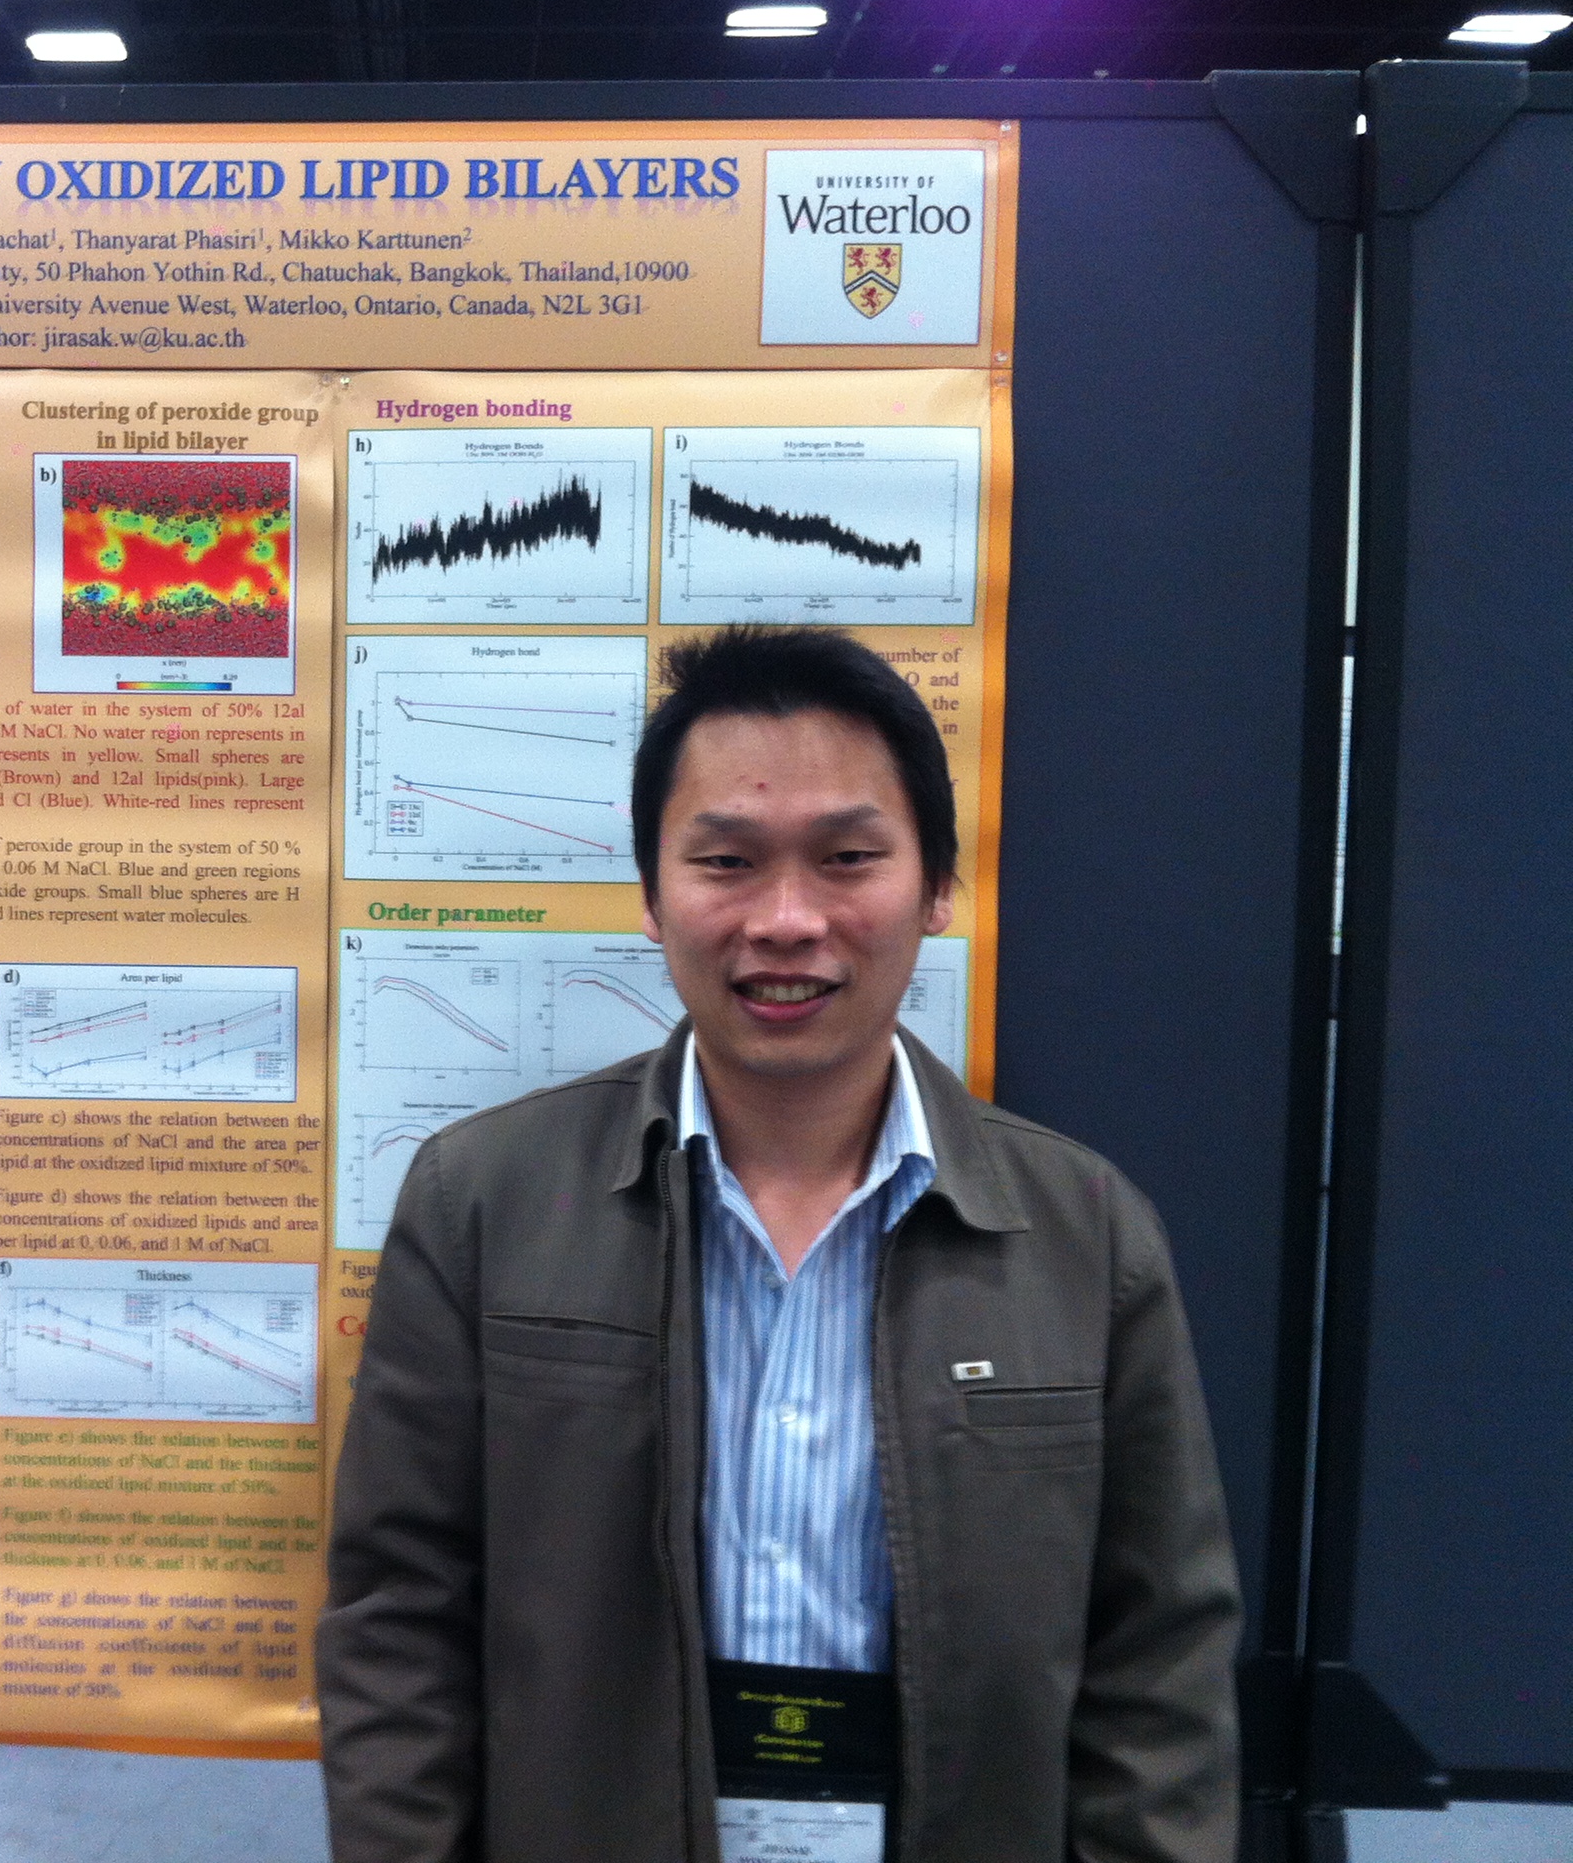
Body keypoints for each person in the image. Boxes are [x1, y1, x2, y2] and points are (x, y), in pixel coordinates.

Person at [317, 625, 1240, 1863]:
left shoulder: (1085, 1233)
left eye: (849, 858)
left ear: (936, 885)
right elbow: (398, 1621)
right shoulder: (482, 1202)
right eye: (727, 861)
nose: (789, 919)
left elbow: (1159, 1661)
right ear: (654, 895)